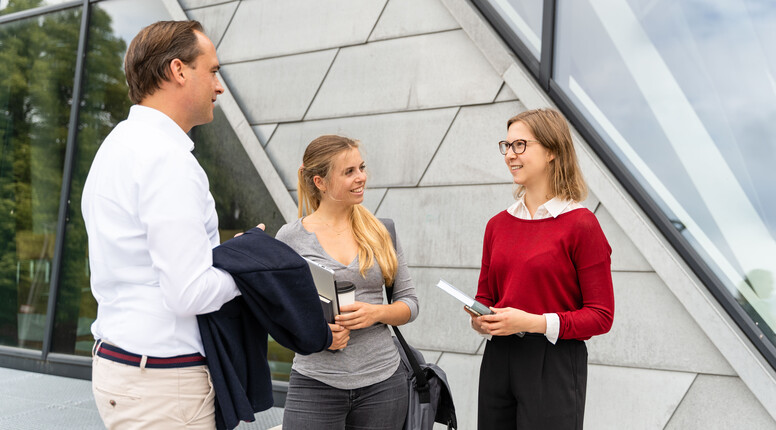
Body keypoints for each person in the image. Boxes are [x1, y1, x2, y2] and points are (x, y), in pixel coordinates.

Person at [82, 20, 240, 429]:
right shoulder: (167, 160)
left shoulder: (116, 145)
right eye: (213, 71)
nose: (219, 87)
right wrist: (245, 267)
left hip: (123, 366)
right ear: (178, 70)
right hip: (163, 385)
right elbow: (188, 292)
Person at [469, 108, 614, 429]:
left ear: (551, 150)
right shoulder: (497, 225)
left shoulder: (581, 224)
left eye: (520, 145)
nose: (509, 155)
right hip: (498, 358)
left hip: (555, 361)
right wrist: (482, 321)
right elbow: (486, 297)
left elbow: (601, 316)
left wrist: (533, 322)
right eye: (506, 146)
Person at [275, 135, 419, 430]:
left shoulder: (381, 231)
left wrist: (375, 313)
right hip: (315, 383)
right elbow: (280, 315)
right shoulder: (290, 238)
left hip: (383, 383)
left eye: (362, 168)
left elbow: (410, 304)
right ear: (320, 182)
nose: (361, 178)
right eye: (349, 172)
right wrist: (318, 333)